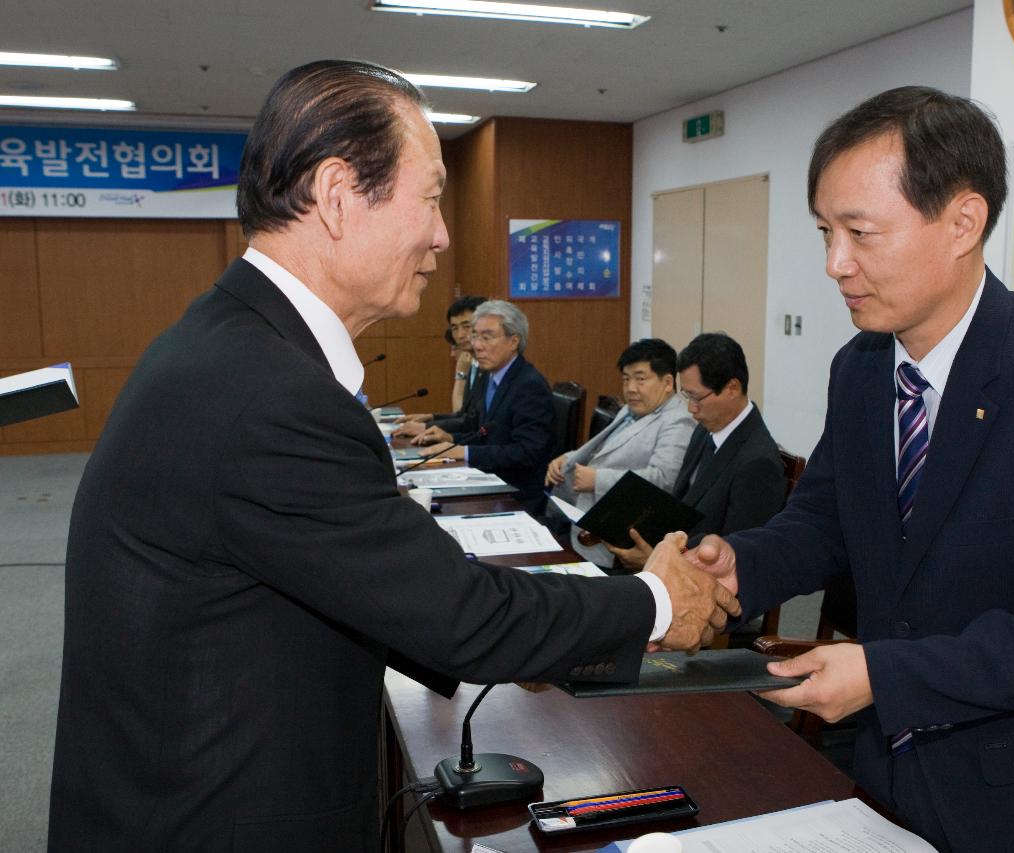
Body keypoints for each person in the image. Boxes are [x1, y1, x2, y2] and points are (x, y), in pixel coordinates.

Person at [47, 59, 737, 852]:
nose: (443, 235)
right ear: (340, 196)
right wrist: (654, 599)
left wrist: (541, 639)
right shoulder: (271, 393)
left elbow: (372, 588)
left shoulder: (232, 348)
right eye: (433, 195)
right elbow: (460, 615)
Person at [687, 87, 1014, 852]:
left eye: (860, 232)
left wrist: (885, 672)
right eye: (824, 231)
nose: (835, 263)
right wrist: (742, 563)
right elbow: (829, 517)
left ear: (962, 222)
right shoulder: (862, 369)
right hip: (890, 769)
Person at [608, 332, 786, 572]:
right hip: (671, 558)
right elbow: (681, 507)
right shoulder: (706, 430)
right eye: (686, 395)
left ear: (732, 388)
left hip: (700, 587)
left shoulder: (757, 463)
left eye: (696, 397)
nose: (691, 408)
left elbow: (736, 556)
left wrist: (657, 560)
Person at [546, 338, 695, 565]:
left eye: (640, 379)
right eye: (626, 379)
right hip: (580, 516)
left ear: (667, 382)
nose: (631, 388)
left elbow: (664, 480)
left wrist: (598, 480)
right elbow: (603, 451)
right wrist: (567, 458)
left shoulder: (677, 422)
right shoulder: (631, 410)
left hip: (619, 540)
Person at [415, 299, 556, 503]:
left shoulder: (529, 385)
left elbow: (527, 451)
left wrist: (464, 452)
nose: (477, 346)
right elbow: (481, 429)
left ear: (513, 341)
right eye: (475, 336)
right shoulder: (489, 376)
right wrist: (450, 438)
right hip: (488, 481)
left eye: (487, 337)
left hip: (515, 494)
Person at [394, 293, 486, 430]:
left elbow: (474, 423)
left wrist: (426, 426)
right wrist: (431, 418)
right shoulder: (474, 365)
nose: (460, 335)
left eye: (467, 326)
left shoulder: (490, 367)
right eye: (455, 328)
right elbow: (465, 416)